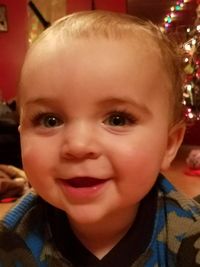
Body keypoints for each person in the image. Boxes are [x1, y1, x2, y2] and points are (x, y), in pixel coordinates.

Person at [0, 10, 200, 267]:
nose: (78, 145)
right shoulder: (12, 242)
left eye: (117, 119)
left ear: (169, 144)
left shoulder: (190, 238)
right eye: (50, 120)